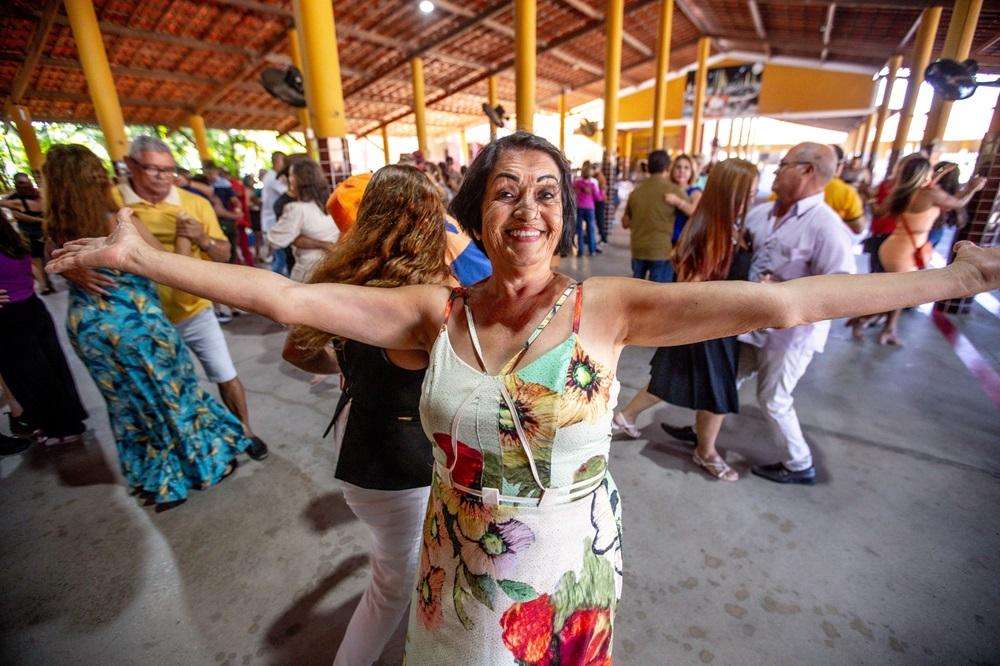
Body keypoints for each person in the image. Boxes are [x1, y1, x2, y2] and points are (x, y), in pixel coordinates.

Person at [48, 132, 1000, 663]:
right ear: (475, 213)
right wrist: (139, 255)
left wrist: (952, 282)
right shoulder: (435, 311)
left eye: (547, 191)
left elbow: (787, 299)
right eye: (507, 192)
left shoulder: (607, 308)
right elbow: (288, 297)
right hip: (456, 573)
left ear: (565, 206)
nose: (532, 210)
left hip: (564, 577)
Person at [283, 164, 453, 666]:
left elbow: (297, 351)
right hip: (398, 466)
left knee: (411, 564)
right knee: (390, 588)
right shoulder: (432, 296)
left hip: (358, 439)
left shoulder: (342, 276)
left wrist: (353, 371)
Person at [44, 143, 250, 505]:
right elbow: (168, 270)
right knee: (173, 396)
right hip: (137, 324)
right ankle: (202, 466)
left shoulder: (55, 228)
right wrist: (186, 238)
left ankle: (156, 479)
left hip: (88, 327)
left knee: (130, 407)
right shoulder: (119, 220)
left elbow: (52, 262)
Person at [111, 136, 269, 461]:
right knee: (165, 387)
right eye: (153, 169)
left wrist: (202, 239)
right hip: (144, 316)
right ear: (131, 165)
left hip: (194, 309)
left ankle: (245, 432)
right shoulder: (114, 201)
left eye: (168, 170)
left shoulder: (194, 202)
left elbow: (223, 253)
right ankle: (184, 450)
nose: (161, 176)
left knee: (225, 373)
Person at [613, 158, 758, 482]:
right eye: (748, 192)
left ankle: (626, 417)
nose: (753, 198)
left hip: (712, 327)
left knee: (672, 378)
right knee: (716, 395)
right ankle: (705, 452)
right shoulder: (710, 230)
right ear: (730, 194)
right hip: (709, 326)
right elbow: (690, 285)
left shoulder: (722, 227)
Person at [737, 142, 856, 484]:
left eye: (784, 164)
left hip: (792, 335)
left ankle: (799, 463)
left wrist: (786, 289)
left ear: (807, 171)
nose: (775, 171)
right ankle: (708, 428)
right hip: (751, 323)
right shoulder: (763, 212)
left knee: (773, 398)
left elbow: (840, 286)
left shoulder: (826, 226)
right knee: (728, 377)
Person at [872, 156, 985, 345]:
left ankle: (878, 323)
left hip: (892, 246)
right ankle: (879, 325)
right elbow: (957, 203)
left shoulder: (902, 191)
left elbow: (878, 212)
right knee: (900, 294)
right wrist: (973, 187)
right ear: (925, 173)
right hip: (905, 253)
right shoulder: (929, 194)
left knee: (891, 291)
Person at [0, 212, 87, 446]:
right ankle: (68, 421)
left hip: (9, 317)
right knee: (51, 368)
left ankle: (58, 427)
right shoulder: (12, 240)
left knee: (30, 376)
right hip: (32, 308)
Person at [266, 158, 339, 283]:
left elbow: (274, 241)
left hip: (308, 271)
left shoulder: (296, 209)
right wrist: (325, 244)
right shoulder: (333, 202)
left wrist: (296, 238)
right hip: (334, 268)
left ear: (298, 180)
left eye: (291, 175)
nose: (289, 180)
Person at [622, 149, 687, 282]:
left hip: (638, 249)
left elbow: (625, 222)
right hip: (661, 251)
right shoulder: (674, 190)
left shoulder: (636, 192)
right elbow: (692, 212)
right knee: (659, 296)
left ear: (648, 167)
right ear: (668, 167)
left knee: (636, 289)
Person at [0, 172, 55, 293]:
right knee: (37, 259)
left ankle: (46, 282)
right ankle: (44, 284)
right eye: (21, 183)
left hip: (46, 231)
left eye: (27, 182)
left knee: (46, 256)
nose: (26, 185)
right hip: (31, 232)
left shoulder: (39, 196)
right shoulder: (18, 202)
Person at [663, 153, 703, 246]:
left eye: (686, 168)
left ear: (692, 172)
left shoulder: (695, 192)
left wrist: (677, 202)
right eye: (678, 167)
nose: (682, 171)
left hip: (684, 242)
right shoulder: (665, 189)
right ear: (672, 170)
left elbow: (695, 212)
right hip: (664, 239)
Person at [260, 151, 288, 272]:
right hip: (273, 221)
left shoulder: (270, 176)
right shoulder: (273, 177)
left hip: (271, 221)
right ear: (277, 162)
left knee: (280, 257)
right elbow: (287, 192)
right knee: (281, 258)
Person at [572, 163, 603, 257]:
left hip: (579, 207)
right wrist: (603, 192)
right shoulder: (592, 184)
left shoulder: (576, 183)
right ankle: (592, 250)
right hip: (590, 208)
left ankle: (580, 251)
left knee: (579, 230)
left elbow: (571, 189)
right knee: (591, 229)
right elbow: (597, 198)